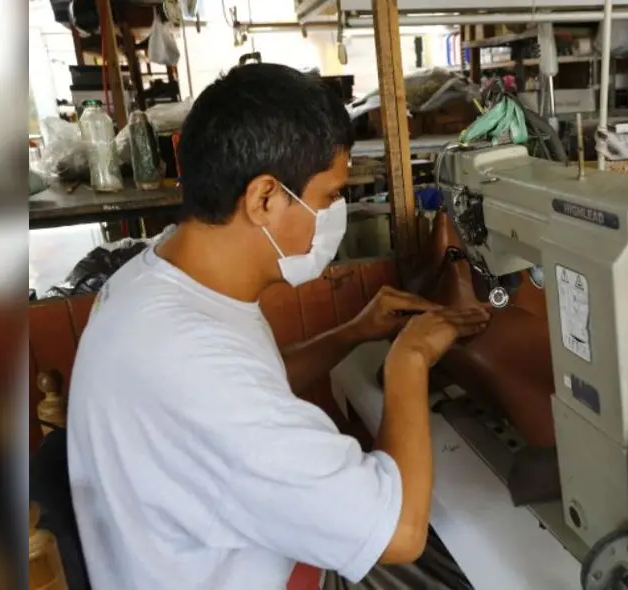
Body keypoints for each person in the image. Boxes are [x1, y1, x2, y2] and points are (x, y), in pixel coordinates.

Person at [66, 63, 490, 590]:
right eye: (330, 197)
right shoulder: (190, 365)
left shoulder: (160, 281)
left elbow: (252, 383)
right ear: (264, 197)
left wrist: (351, 332)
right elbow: (399, 533)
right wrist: (409, 360)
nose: (334, 212)